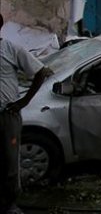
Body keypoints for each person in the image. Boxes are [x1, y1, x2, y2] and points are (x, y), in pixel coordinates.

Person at [0, 14, 53, 214]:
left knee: (10, 162)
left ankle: (10, 204)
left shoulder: (11, 49)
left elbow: (41, 72)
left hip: (6, 116)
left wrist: (24, 101)